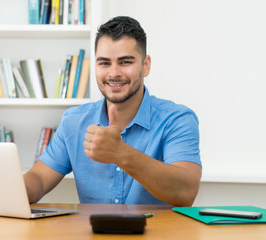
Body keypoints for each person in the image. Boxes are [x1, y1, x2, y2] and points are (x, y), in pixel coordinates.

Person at [23, 16, 202, 207]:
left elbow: (185, 192)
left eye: (125, 62)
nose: (114, 73)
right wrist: (9, 189)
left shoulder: (177, 119)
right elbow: (39, 179)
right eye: (104, 63)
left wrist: (120, 153)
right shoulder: (74, 121)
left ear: (146, 65)